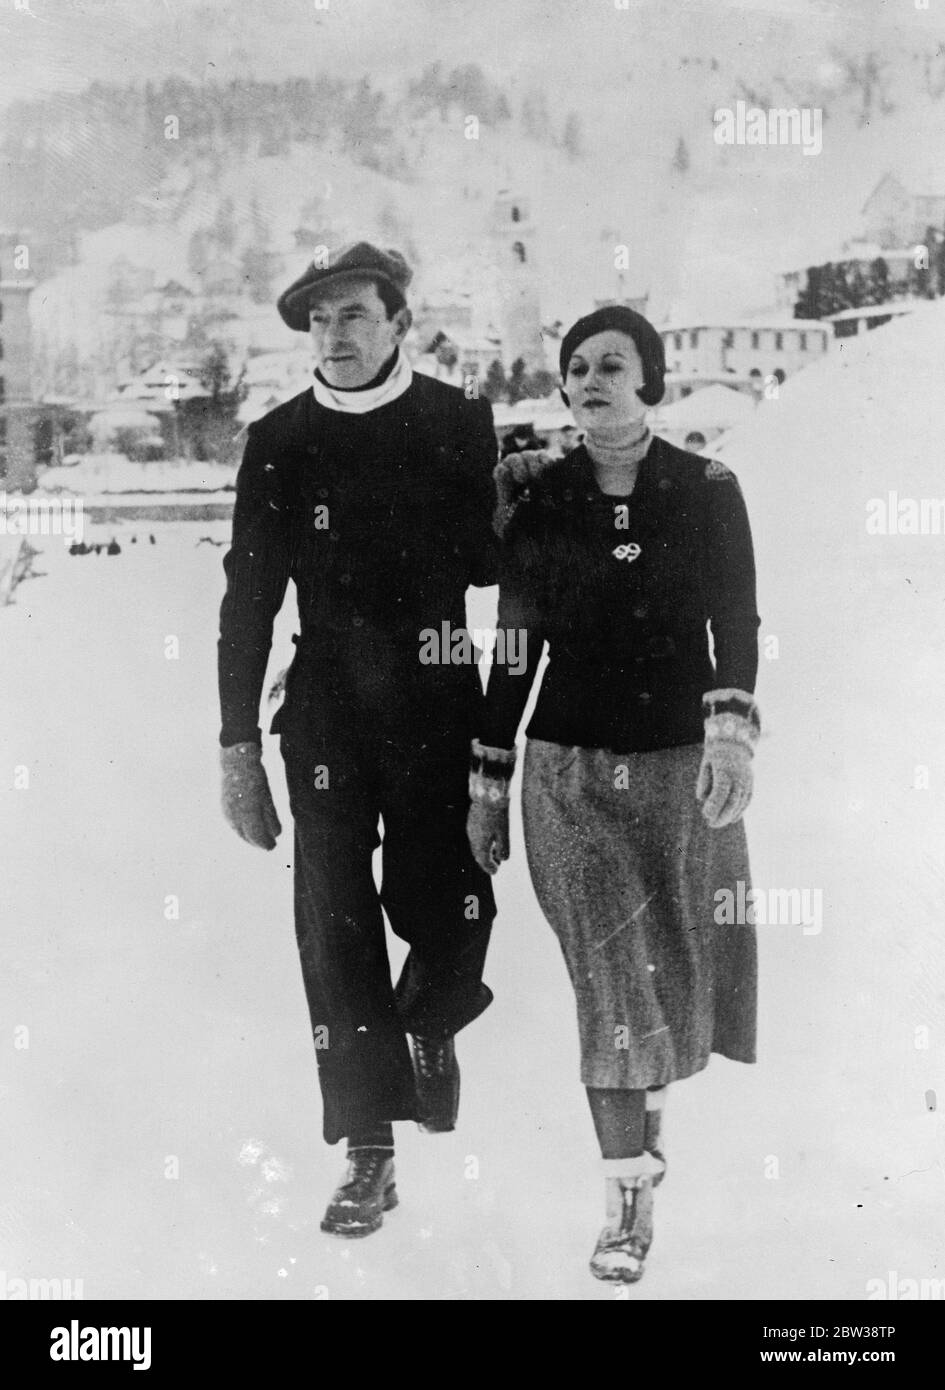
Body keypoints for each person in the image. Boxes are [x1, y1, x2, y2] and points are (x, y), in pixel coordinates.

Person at [467, 305, 761, 1284]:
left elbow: (736, 622)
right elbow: (515, 647)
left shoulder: (708, 489)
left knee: (667, 969)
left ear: (653, 378)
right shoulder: (542, 499)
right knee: (610, 984)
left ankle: (647, 1114)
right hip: (569, 778)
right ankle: (626, 1194)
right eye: (575, 367)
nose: (589, 378)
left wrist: (733, 741)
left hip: (679, 768)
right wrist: (487, 780)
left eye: (611, 363)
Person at [217, 242, 502, 1238]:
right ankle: (367, 1148)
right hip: (328, 705)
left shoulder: (456, 419)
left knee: (451, 896)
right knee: (332, 919)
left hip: (435, 696)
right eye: (319, 320)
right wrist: (235, 747)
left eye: (352, 316)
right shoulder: (278, 440)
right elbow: (248, 596)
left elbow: (482, 562)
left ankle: (432, 1013)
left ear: (397, 325)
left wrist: (516, 487)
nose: (333, 337)